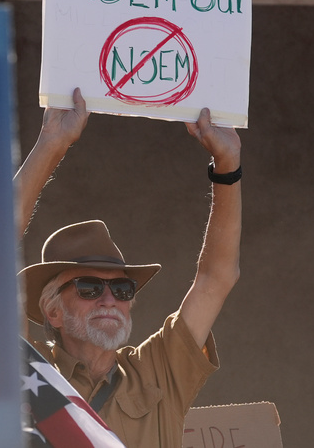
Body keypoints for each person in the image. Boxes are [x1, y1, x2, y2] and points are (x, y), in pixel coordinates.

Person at [15, 88, 242, 448]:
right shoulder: (25, 369)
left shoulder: (158, 369)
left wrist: (227, 168)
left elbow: (216, 278)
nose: (109, 300)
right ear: (52, 311)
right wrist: (52, 144)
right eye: (89, 288)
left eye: (122, 290)